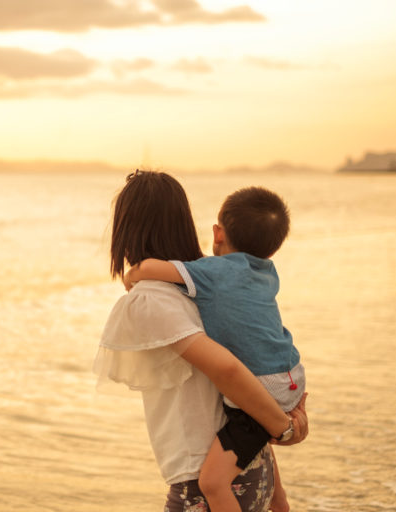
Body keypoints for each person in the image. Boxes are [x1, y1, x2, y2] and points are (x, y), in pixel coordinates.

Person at [94, 170, 308, 512]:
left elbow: (229, 371)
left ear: (126, 230)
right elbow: (246, 387)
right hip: (254, 471)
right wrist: (278, 493)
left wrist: (283, 429)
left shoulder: (155, 297)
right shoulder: (213, 283)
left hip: (205, 488)